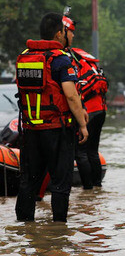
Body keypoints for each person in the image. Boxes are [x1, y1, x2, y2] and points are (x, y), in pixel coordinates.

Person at [15, 12, 88, 222]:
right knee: (60, 182)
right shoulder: (61, 60)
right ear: (59, 34)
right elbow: (71, 95)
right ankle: (58, 232)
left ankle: (24, 229)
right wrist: (82, 125)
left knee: (29, 181)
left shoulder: (25, 56)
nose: (70, 36)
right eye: (67, 32)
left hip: (30, 129)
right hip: (58, 129)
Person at [63, 14, 108, 190]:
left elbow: (72, 91)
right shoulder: (86, 59)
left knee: (80, 152)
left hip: (87, 111)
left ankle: (88, 189)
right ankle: (97, 187)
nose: (73, 36)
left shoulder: (68, 58)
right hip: (101, 110)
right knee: (92, 151)